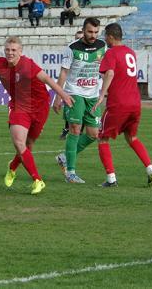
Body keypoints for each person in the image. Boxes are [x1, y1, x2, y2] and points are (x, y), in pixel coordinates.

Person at [0, 37, 73, 195]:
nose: (10, 53)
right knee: (20, 143)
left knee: (28, 145)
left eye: (14, 50)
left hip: (39, 107)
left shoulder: (28, 65)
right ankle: (37, 180)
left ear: (20, 51)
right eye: (7, 49)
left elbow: (47, 79)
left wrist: (63, 95)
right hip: (19, 106)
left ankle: (12, 167)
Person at [92, 23, 152, 187]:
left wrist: (102, 95)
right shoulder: (130, 52)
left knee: (102, 138)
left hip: (118, 103)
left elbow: (110, 72)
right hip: (135, 103)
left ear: (110, 36)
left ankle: (111, 178)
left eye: (105, 35)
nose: (104, 38)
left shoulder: (111, 52)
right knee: (132, 137)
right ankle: (151, 170)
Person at [52, 18, 106, 183]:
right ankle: (71, 173)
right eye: (90, 32)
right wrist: (58, 96)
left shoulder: (102, 46)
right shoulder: (72, 48)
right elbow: (63, 74)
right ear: (83, 30)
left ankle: (64, 157)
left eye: (96, 32)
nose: (93, 35)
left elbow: (105, 70)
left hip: (93, 95)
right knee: (75, 129)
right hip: (74, 93)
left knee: (93, 134)